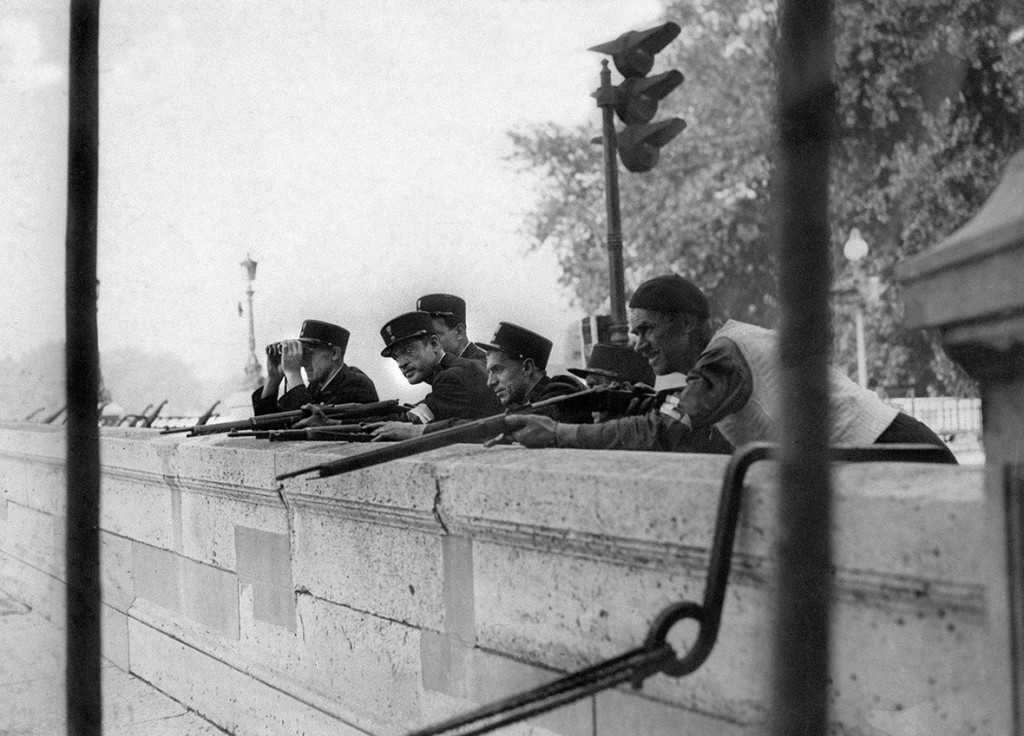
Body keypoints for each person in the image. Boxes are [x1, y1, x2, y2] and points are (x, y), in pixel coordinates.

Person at [505, 274, 957, 463]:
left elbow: (663, 431)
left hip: (896, 455)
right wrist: (612, 398)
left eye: (647, 331)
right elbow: (673, 409)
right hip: (885, 456)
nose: (639, 346)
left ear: (685, 324)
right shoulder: (729, 347)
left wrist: (560, 434)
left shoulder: (725, 354)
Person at [370, 310, 503, 440]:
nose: (401, 363)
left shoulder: (452, 376)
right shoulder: (460, 368)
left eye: (408, 350)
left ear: (434, 344)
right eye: (396, 357)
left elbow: (414, 420)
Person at [252, 319, 378, 415]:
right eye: (302, 355)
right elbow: (270, 426)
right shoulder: (315, 387)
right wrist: (273, 378)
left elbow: (313, 425)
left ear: (334, 354)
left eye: (308, 354)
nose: (302, 362)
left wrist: (292, 374)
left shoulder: (357, 385)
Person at [476, 322, 591, 424]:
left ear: (527, 368)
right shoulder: (534, 399)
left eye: (497, 370)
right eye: (489, 372)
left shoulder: (560, 393)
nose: (490, 382)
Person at [416, 293, 488, 364]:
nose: (429, 346)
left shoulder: (483, 366)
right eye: (425, 339)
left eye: (436, 337)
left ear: (459, 332)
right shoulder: (445, 367)